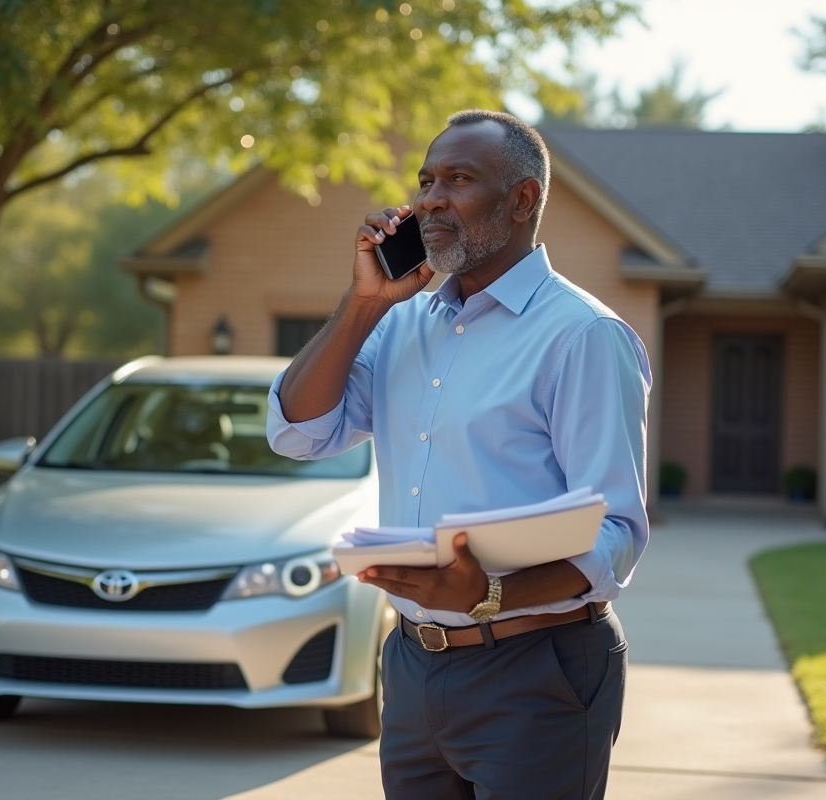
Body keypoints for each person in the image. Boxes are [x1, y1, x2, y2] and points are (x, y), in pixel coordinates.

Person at [267, 109, 650, 800]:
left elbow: (616, 535)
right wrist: (363, 305)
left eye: (459, 179)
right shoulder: (400, 320)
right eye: (426, 179)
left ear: (523, 199)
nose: (430, 198)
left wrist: (487, 594)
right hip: (414, 666)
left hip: (539, 668)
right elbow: (299, 432)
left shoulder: (584, 335)